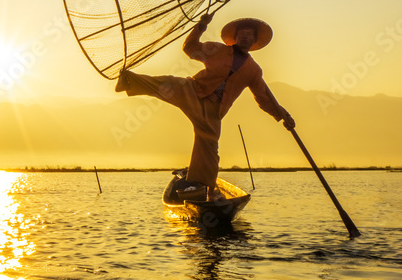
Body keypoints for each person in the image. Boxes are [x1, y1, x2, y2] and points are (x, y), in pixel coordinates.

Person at [115, 13, 294, 191]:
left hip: (214, 110)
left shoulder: (254, 70)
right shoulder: (216, 49)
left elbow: (264, 98)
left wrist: (283, 115)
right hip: (193, 90)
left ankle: (199, 183)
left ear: (254, 40)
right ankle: (128, 81)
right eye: (241, 34)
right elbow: (190, 48)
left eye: (249, 35)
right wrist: (201, 26)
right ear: (235, 37)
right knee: (168, 83)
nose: (245, 37)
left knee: (209, 142)